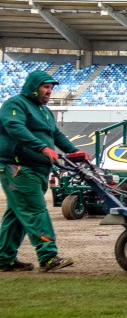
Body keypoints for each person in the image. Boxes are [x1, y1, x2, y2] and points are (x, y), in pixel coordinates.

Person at [0, 70, 82, 272]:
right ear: (33, 87)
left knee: (17, 213)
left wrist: (75, 152)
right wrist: (42, 148)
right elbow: (14, 127)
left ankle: (4, 258)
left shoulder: (45, 112)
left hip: (38, 169)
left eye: (51, 88)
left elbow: (56, 135)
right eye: (45, 87)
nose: (49, 91)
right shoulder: (15, 104)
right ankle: (47, 256)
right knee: (35, 210)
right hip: (19, 167)